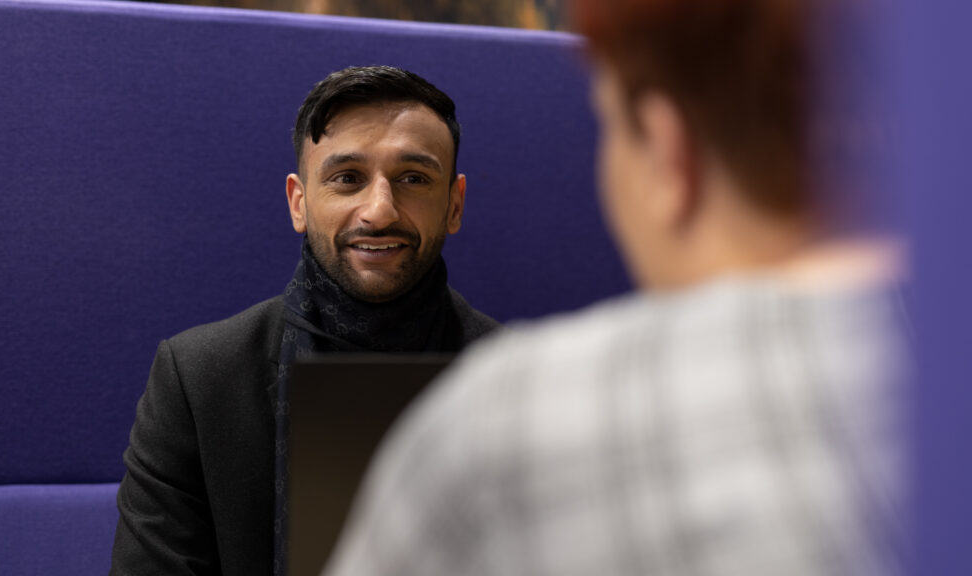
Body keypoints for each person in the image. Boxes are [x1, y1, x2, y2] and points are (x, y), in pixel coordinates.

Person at [322, 2, 910, 575]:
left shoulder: (505, 425)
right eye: (348, 178)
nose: (379, 210)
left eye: (609, 127)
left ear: (666, 146)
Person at [109, 66, 498, 576]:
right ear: (299, 202)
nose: (379, 211)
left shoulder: (521, 380)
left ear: (454, 204)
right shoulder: (200, 382)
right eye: (347, 179)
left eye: (412, 178)